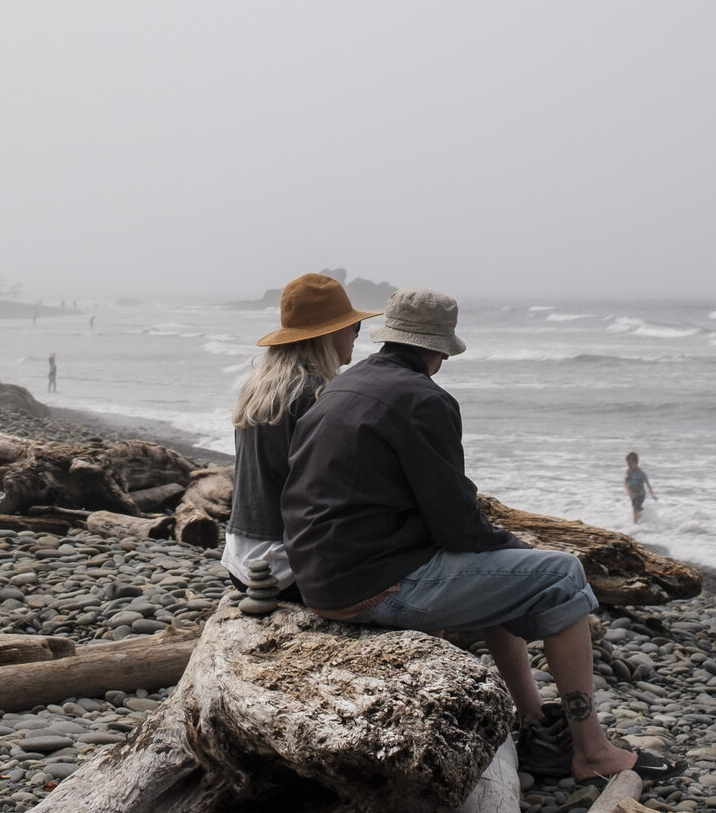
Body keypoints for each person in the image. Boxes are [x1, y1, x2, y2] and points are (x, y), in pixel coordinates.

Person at [281, 287, 672, 784]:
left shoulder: (343, 386)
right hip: (372, 586)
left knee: (507, 573)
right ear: (440, 349)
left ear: (389, 338)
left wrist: (502, 552)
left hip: (320, 576)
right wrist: (518, 549)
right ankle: (592, 752)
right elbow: (457, 524)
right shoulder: (424, 399)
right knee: (562, 573)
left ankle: (534, 721)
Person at [225, 273, 379, 601]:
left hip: (241, 560)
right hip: (286, 568)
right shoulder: (317, 394)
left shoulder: (257, 388)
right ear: (329, 333)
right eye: (354, 327)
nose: (355, 336)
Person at [624, 452, 658, 523]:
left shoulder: (641, 473)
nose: (629, 466)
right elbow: (625, 482)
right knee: (636, 511)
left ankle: (635, 525)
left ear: (636, 463)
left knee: (635, 510)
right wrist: (628, 491)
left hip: (641, 494)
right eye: (628, 464)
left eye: (630, 464)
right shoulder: (628, 472)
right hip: (633, 495)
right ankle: (642, 521)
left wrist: (653, 495)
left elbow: (648, 485)